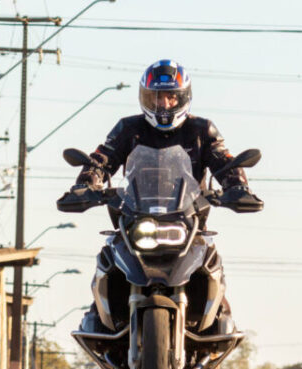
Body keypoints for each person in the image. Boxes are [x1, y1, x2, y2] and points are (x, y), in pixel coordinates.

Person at [72, 59, 261, 336]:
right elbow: (103, 158)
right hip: (135, 216)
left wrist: (238, 187)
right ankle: (101, 321)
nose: (163, 104)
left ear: (182, 97)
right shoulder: (128, 128)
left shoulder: (202, 130)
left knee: (211, 268)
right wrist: (87, 183)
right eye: (156, 97)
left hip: (188, 219)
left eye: (170, 97)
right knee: (109, 260)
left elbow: (224, 161)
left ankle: (217, 323)